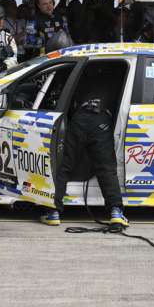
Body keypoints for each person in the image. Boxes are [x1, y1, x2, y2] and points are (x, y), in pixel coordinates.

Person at [41, 87, 127, 227]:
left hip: (79, 119)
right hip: (102, 121)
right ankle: (116, 212)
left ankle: (53, 212)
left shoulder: (85, 73)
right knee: (106, 168)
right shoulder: (116, 77)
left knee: (64, 166)